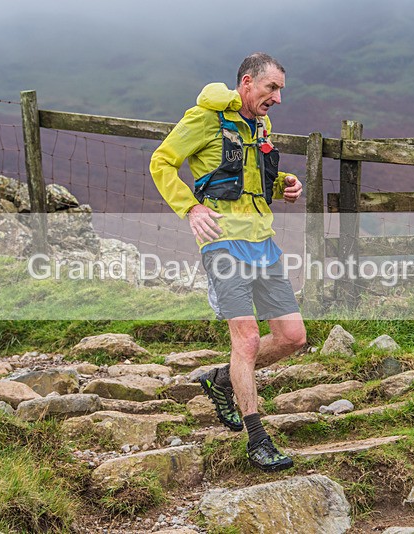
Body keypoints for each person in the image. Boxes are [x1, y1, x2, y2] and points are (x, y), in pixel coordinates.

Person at [150, 53, 306, 472]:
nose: (277, 98)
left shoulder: (260, 124)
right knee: (248, 338)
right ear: (247, 82)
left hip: (263, 242)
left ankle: (221, 380)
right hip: (222, 243)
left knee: (293, 336)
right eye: (271, 88)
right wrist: (190, 208)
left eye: (280, 91)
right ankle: (257, 440)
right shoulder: (205, 118)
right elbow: (161, 162)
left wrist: (284, 184)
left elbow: (249, 180)